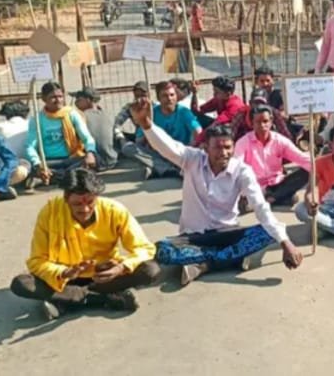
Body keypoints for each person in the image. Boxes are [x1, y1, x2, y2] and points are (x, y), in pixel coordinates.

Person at [130, 99, 303, 286]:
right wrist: (147, 125)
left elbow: (260, 207)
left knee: (270, 232)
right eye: (218, 147)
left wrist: (286, 244)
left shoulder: (242, 170)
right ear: (206, 148)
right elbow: (168, 147)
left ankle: (203, 264)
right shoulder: (192, 159)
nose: (224, 153)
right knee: (163, 250)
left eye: (228, 147)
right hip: (194, 236)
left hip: (228, 234)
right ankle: (229, 259)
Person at [9, 169, 161, 319]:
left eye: (90, 202)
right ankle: (103, 298)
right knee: (22, 283)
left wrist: (121, 267)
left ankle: (69, 301)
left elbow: (144, 248)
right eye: (77, 204)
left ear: (97, 197)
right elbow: (37, 261)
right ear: (66, 198)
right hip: (65, 279)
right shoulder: (49, 212)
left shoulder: (114, 210)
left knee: (150, 269)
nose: (85, 209)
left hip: (105, 276)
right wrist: (64, 272)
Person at [234, 105, 311, 206]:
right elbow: (237, 167)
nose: (262, 125)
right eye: (258, 122)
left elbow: (301, 158)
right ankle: (276, 198)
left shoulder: (279, 140)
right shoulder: (243, 142)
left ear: (271, 121)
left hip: (278, 183)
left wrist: (322, 166)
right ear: (252, 123)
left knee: (308, 171)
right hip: (255, 186)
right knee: (292, 199)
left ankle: (270, 199)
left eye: (265, 121)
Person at [123, 81, 201, 180]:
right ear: (158, 98)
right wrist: (147, 127)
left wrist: (191, 146)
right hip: (159, 153)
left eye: (172, 95)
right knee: (128, 148)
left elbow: (198, 132)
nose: (169, 99)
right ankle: (168, 169)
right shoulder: (152, 112)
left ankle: (160, 168)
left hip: (179, 153)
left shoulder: (183, 112)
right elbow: (139, 140)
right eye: (165, 96)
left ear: (176, 96)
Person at [25, 82, 97, 187]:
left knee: (94, 160)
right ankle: (61, 176)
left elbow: (87, 138)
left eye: (60, 96)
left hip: (72, 159)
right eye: (53, 97)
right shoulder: (37, 119)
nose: (58, 100)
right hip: (49, 162)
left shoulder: (71, 114)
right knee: (31, 167)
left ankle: (51, 177)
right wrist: (38, 164)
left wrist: (90, 153)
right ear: (44, 99)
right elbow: (30, 146)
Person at [71, 87, 118, 171]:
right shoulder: (109, 114)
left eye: (78, 99)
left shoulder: (80, 116)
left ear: (88, 100)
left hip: (93, 161)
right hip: (112, 160)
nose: (75, 102)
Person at [113, 81, 150, 149]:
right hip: (138, 138)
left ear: (149, 95)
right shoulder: (130, 108)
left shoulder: (155, 108)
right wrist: (121, 139)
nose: (139, 100)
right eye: (137, 96)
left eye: (143, 96)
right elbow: (116, 123)